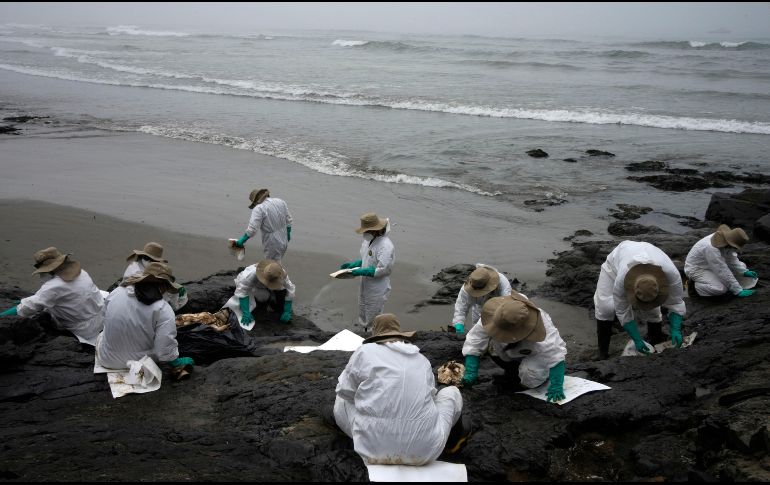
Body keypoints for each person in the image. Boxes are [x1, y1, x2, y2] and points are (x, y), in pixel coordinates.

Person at [334, 313, 468, 465]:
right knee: (452, 392)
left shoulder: (364, 352)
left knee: (341, 399)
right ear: (400, 335)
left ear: (375, 335)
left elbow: (345, 391)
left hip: (372, 450)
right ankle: (453, 443)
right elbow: (431, 396)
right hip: (425, 452)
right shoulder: (420, 359)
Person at [461, 293, 567, 403]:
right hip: (506, 351)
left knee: (530, 375)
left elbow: (555, 354)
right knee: (493, 350)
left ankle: (533, 378)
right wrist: (471, 371)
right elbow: (475, 339)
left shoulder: (544, 328)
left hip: (532, 352)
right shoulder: (498, 314)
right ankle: (512, 370)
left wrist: (556, 384)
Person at [96, 262, 194, 378]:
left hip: (106, 360)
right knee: (160, 343)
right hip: (139, 363)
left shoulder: (116, 292)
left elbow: (103, 319)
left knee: (103, 335)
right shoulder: (163, 309)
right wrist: (175, 361)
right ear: (163, 286)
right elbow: (163, 349)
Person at [594, 241, 687, 359]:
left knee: (652, 307)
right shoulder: (621, 279)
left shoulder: (671, 273)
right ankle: (602, 352)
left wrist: (676, 329)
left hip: (649, 252)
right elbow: (622, 310)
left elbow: (676, 302)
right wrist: (636, 339)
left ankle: (655, 338)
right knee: (606, 307)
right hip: (613, 266)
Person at [1, 247, 104, 346]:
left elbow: (28, 307)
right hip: (101, 319)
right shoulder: (81, 273)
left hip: (82, 329)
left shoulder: (54, 287)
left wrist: (3, 316)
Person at [339, 212, 395, 333]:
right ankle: (365, 332)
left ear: (375, 230)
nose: (365, 233)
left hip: (377, 287)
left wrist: (363, 271)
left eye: (367, 230)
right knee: (363, 309)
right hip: (365, 284)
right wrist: (354, 265)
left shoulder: (385, 246)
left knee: (374, 314)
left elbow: (384, 269)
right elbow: (367, 259)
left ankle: (374, 336)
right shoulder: (367, 241)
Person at [684, 224, 758, 298]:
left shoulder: (726, 240)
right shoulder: (711, 248)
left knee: (742, 266)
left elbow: (731, 258)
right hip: (697, 269)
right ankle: (694, 286)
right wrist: (738, 290)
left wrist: (743, 271)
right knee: (720, 288)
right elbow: (721, 270)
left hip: (711, 265)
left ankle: (715, 279)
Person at [224, 259, 295, 328]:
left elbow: (290, 289)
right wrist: (246, 312)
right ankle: (268, 298)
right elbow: (242, 291)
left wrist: (287, 311)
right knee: (263, 297)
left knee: (281, 301)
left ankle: (273, 298)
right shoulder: (250, 275)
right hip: (256, 286)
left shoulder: (280, 273)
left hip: (269, 287)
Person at [123, 242, 188, 311]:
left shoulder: (136, 265)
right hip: (147, 300)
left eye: (152, 260)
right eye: (146, 258)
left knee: (179, 289)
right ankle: (172, 308)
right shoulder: (135, 270)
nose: (148, 261)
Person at [233, 188, 293, 262]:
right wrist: (288, 233)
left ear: (255, 202)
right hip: (284, 237)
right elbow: (289, 219)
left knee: (270, 265)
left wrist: (242, 239)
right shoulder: (280, 201)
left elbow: (253, 229)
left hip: (272, 241)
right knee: (277, 262)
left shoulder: (259, 208)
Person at [451, 264, 512, 336]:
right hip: (479, 310)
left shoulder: (502, 283)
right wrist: (459, 326)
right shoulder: (467, 288)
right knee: (477, 335)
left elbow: (507, 306)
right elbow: (460, 308)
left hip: (498, 310)